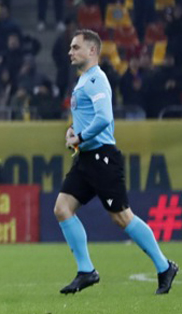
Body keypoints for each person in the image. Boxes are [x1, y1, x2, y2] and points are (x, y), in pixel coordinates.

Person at [54, 29, 177, 294]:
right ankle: (86, 271)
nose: (70, 52)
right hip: (86, 158)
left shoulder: (97, 80)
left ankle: (164, 266)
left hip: (102, 158)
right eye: (71, 48)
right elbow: (88, 119)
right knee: (62, 208)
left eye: (76, 47)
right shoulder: (84, 80)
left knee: (122, 217)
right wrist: (73, 131)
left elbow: (104, 118)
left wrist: (79, 138)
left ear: (92, 51)